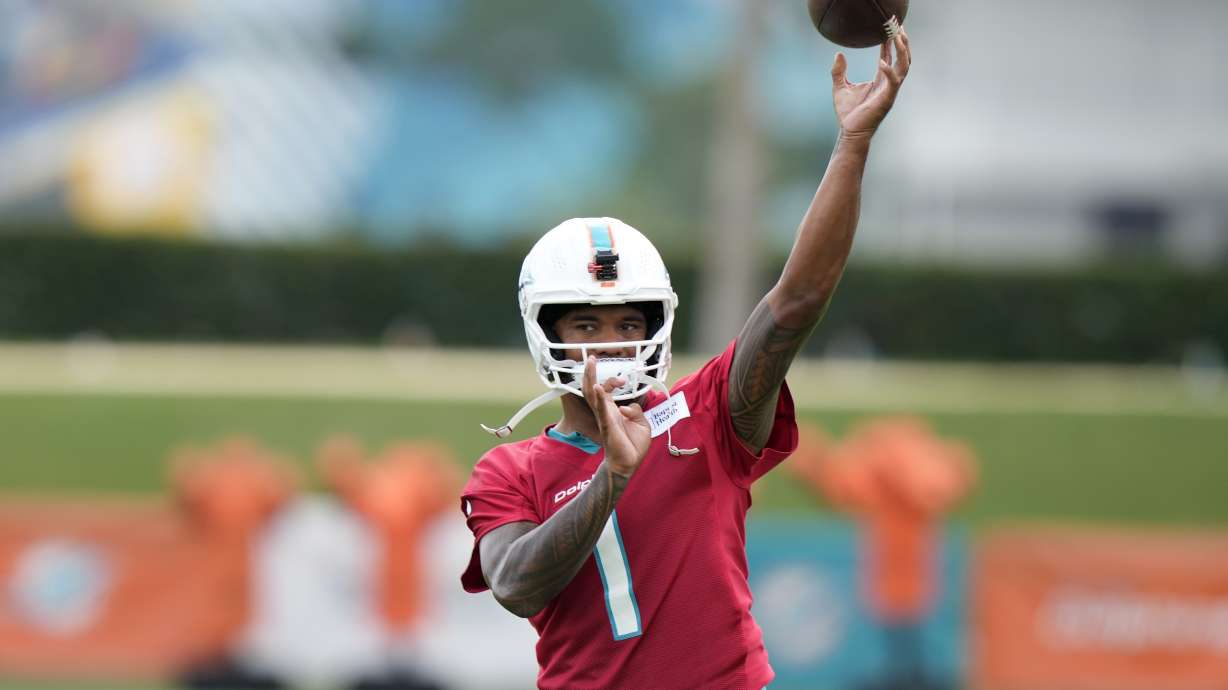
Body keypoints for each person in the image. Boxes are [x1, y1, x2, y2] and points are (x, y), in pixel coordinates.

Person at [460, 31, 912, 690]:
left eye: (628, 322)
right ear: (546, 332)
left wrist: (852, 145)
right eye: (587, 323)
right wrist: (610, 478)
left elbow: (799, 299)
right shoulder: (508, 469)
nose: (612, 342)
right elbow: (516, 585)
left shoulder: (705, 414)